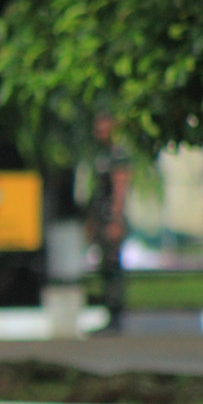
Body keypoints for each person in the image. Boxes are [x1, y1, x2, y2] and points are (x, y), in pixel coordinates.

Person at [85, 112, 131, 333]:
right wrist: (92, 221)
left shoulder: (117, 154)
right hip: (101, 219)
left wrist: (116, 220)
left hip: (111, 219)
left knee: (113, 268)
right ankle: (109, 316)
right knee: (104, 267)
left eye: (103, 127)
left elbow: (120, 188)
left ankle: (115, 318)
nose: (99, 132)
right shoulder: (101, 154)